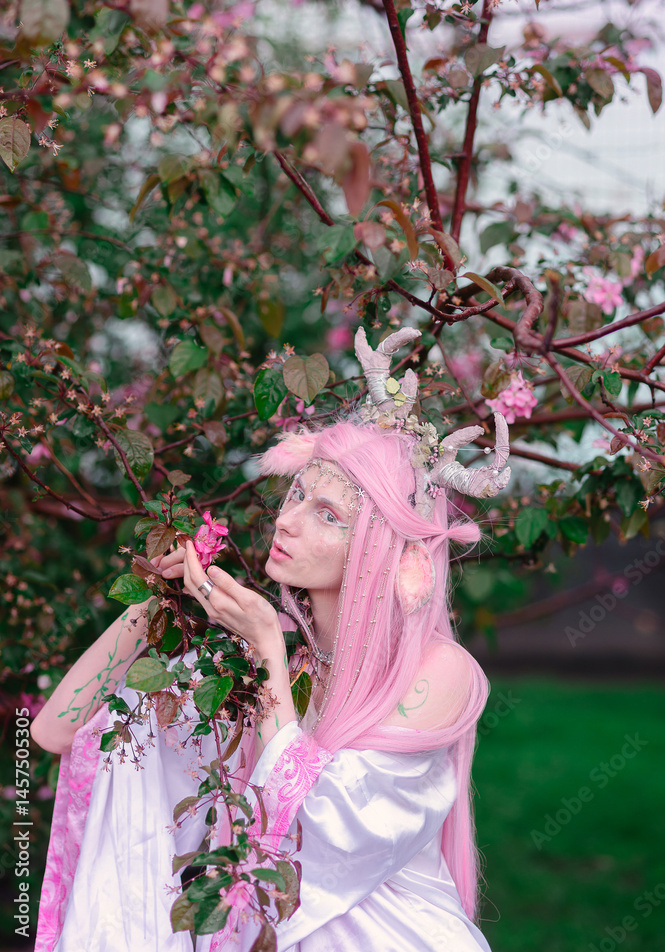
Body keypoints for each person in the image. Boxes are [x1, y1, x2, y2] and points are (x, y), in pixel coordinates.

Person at [31, 327, 509, 952]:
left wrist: (264, 654)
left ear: (379, 548)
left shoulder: (437, 671)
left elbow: (318, 831)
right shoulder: (276, 659)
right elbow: (57, 732)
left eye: (328, 515)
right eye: (297, 494)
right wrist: (153, 605)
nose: (285, 519)